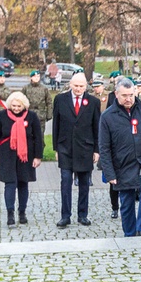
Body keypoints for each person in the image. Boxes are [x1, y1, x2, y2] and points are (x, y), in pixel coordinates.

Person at [98, 78, 141, 237]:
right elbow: (104, 148)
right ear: (116, 94)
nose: (128, 99)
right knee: (126, 203)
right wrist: (110, 173)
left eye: (131, 95)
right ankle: (130, 234)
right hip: (122, 165)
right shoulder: (107, 117)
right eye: (124, 95)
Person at [52, 73, 101, 227]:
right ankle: (65, 216)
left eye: (81, 86)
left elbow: (96, 127)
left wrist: (96, 150)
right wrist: (56, 148)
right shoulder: (60, 100)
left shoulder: (93, 102)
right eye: (76, 86)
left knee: (84, 183)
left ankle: (82, 214)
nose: (78, 89)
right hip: (65, 148)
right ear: (70, 85)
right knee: (65, 182)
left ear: (86, 86)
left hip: (85, 148)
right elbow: (56, 125)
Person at [0, 93, 44, 227]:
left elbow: (38, 137)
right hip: (6, 154)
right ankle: (10, 213)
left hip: (26, 154)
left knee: (23, 183)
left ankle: (22, 212)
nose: (16, 108)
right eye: (13, 106)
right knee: (10, 183)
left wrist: (38, 156)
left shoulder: (31, 116)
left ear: (24, 105)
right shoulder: (2, 116)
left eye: (19, 106)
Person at [21, 70, 52, 138]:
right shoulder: (26, 88)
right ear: (31, 78)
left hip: (41, 116)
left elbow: (49, 102)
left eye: (38, 76)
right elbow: (21, 101)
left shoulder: (44, 89)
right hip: (28, 115)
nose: (36, 78)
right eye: (34, 76)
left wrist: (49, 114)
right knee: (28, 135)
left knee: (40, 136)